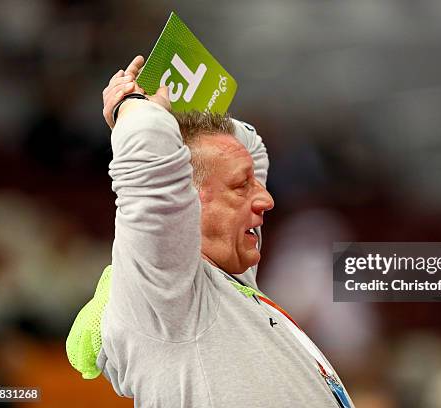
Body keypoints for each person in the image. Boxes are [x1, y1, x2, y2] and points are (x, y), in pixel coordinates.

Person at [68, 55, 354, 408]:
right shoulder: (174, 297)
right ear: (186, 201)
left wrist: (181, 118)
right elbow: (148, 163)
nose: (266, 198)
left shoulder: (232, 277)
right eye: (242, 185)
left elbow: (252, 147)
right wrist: (132, 107)